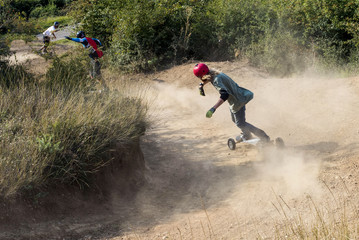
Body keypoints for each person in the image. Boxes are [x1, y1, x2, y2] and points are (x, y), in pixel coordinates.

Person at [194, 63, 270, 143]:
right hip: (240, 95)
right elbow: (209, 79)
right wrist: (201, 85)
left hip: (237, 101)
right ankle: (247, 134)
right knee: (235, 120)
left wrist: (213, 108)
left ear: (201, 75)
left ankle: (264, 136)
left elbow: (225, 95)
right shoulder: (216, 74)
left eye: (199, 77)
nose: (199, 78)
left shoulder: (216, 80)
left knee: (240, 123)